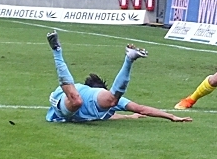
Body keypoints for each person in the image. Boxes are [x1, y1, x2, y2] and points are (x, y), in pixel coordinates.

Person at [45, 33, 191, 124]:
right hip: (62, 100)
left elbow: (141, 109)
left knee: (111, 100)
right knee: (77, 101)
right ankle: (57, 51)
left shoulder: (112, 104)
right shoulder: (86, 93)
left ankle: (130, 58)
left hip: (83, 97)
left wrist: (171, 117)